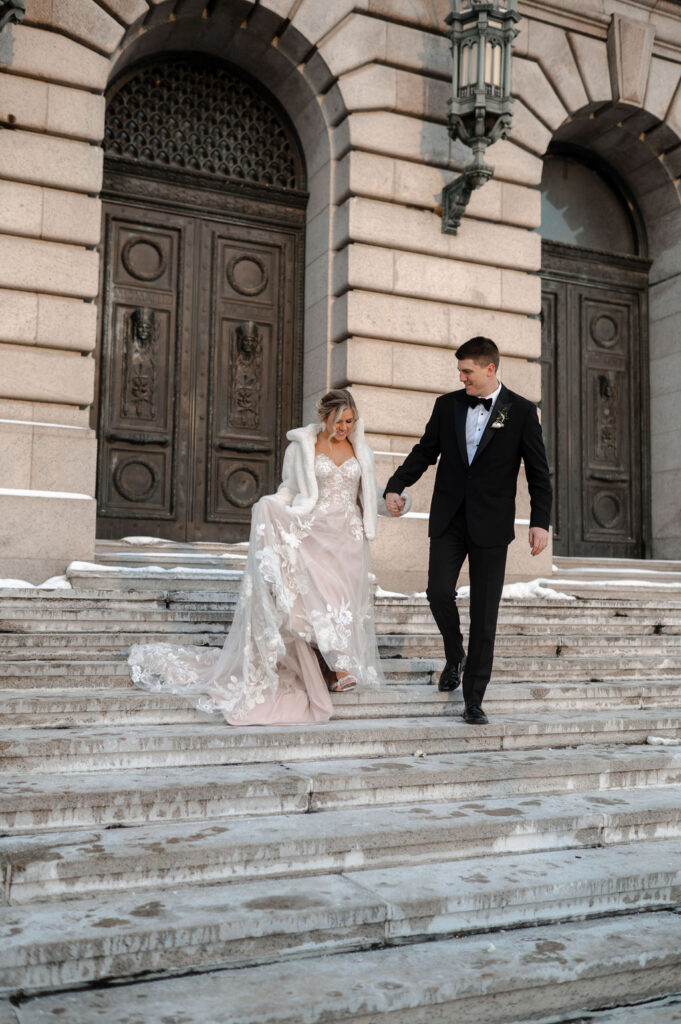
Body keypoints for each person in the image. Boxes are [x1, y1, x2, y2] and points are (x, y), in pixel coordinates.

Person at [129, 390, 409, 725]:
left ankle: (333, 666)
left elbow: (369, 493)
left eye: (349, 421)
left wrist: (393, 504)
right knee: (319, 599)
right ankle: (339, 668)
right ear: (323, 417)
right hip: (313, 534)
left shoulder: (361, 450)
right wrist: (271, 506)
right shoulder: (301, 447)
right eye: (338, 421)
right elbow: (290, 489)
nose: (343, 428)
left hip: (348, 538)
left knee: (342, 603)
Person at [384, 336, 552, 725]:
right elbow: (426, 451)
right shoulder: (448, 406)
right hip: (449, 518)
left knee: (485, 614)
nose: (462, 379)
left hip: (492, 525)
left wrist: (540, 522)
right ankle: (454, 653)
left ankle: (474, 697)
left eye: (467, 372)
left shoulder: (522, 411)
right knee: (438, 591)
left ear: (490, 369)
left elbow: (539, 473)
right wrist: (396, 484)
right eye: (460, 372)